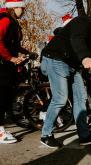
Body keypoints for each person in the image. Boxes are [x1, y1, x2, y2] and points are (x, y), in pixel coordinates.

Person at [40, 10, 91, 148]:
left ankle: (84, 135)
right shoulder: (83, 21)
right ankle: (46, 135)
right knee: (60, 98)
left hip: (72, 65)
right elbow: (77, 39)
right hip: (55, 58)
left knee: (81, 98)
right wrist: (84, 57)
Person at [0, 0, 34, 144]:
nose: (24, 10)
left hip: (7, 65)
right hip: (2, 65)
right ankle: (1, 132)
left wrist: (27, 52)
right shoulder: (6, 20)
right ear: (14, 8)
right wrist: (11, 58)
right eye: (22, 8)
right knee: (2, 96)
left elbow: (14, 44)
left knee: (6, 95)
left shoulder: (13, 21)